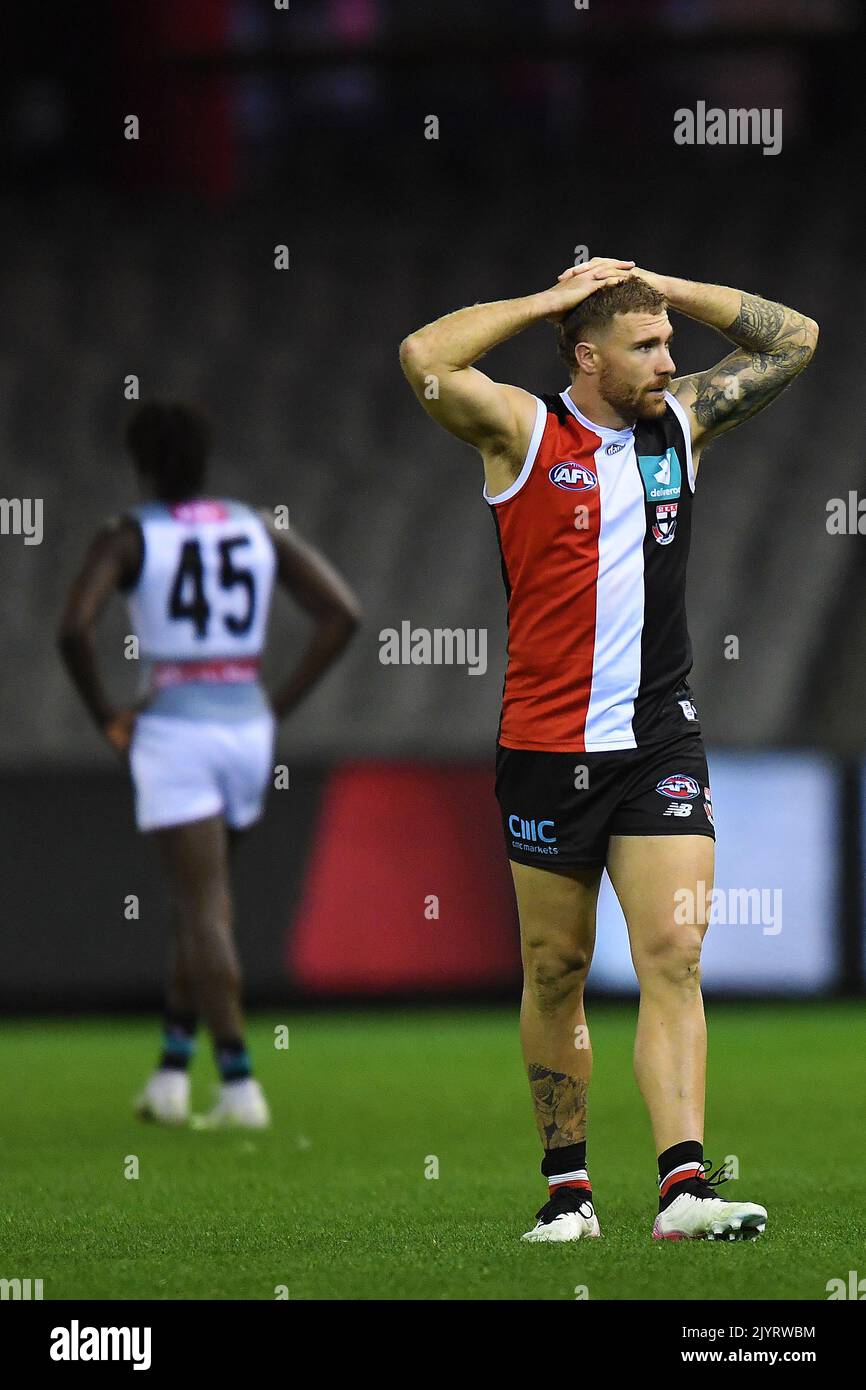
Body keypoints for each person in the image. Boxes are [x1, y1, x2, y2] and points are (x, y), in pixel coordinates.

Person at [399, 258, 817, 1240]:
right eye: (646, 346)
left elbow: (795, 339)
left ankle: (684, 1188)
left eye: (670, 343)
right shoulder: (521, 431)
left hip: (659, 740)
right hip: (547, 746)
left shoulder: (681, 425)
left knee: (673, 953)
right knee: (556, 969)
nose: (669, 361)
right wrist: (550, 301)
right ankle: (568, 1193)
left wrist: (665, 285)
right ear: (587, 358)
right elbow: (424, 357)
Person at [58, 400, 361, 1129]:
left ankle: (238, 1085)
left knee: (202, 908)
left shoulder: (128, 535)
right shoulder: (255, 526)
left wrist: (105, 716)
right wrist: (275, 707)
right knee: (198, 904)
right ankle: (169, 1075)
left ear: (141, 462)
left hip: (176, 732)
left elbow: (73, 629)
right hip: (246, 731)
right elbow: (342, 613)